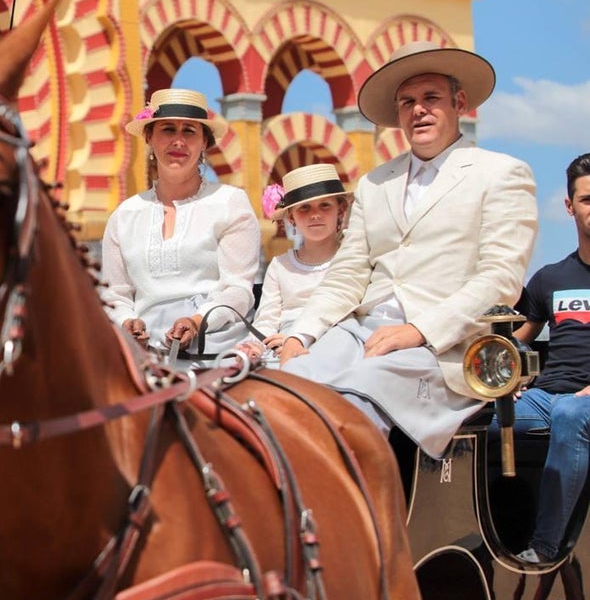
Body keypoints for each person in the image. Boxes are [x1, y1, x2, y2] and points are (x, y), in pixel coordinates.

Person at [277, 40, 538, 460]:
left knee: (354, 398)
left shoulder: (501, 173)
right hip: (358, 332)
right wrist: (299, 334)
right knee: (284, 387)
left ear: (459, 103)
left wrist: (419, 330)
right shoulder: (375, 182)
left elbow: (500, 280)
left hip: (443, 349)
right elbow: (347, 275)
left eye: (431, 98)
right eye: (407, 102)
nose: (418, 110)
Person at [101, 87, 260, 359]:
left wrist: (197, 322)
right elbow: (115, 295)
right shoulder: (125, 215)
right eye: (167, 130)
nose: (178, 141)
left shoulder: (229, 202)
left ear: (204, 142)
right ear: (149, 137)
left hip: (215, 345)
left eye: (189, 131)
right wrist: (127, 323)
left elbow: (237, 289)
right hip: (143, 353)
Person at [505, 152, 590, 565]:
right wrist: (503, 381)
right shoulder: (550, 278)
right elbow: (515, 342)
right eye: (587, 199)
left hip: (579, 405)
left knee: (571, 414)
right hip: (546, 397)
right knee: (468, 420)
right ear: (570, 206)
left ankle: (544, 549)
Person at [237, 163, 352, 365]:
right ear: (291, 217)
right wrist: (255, 345)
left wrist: (298, 339)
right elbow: (267, 319)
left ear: (340, 210)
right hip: (282, 345)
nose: (315, 214)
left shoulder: (351, 258)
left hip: (337, 341)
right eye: (304, 207)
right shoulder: (280, 265)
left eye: (325, 205)